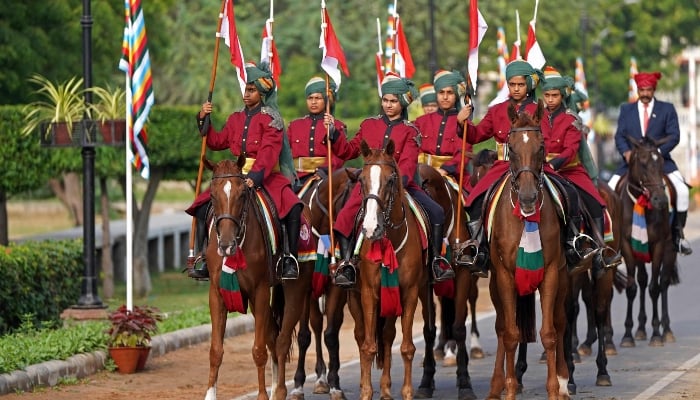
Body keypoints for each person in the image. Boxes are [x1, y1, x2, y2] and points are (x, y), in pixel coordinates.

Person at [329, 72, 455, 288]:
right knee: (343, 217)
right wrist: (334, 134)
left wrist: (394, 186)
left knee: (436, 212)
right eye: (385, 100)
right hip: (370, 188)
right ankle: (347, 263)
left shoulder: (411, 131)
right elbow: (348, 151)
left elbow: (406, 166)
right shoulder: (369, 125)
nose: (388, 105)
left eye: (393, 101)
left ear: (402, 103)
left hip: (401, 186)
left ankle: (436, 261)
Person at [185, 62, 304, 281]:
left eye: (251, 90)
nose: (246, 94)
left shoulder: (272, 119)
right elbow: (216, 141)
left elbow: (268, 154)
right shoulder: (235, 118)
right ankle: (203, 256)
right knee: (202, 206)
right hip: (236, 176)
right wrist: (203, 118)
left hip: (267, 177)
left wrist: (254, 178)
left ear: (262, 91)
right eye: (245, 90)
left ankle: (289, 258)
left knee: (293, 207)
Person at [458, 60, 542, 278]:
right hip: (503, 166)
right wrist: (463, 123)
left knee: (566, 193)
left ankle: (570, 241)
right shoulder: (496, 111)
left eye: (520, 84)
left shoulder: (539, 110)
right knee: (474, 200)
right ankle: (478, 247)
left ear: (529, 86)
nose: (515, 88)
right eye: (512, 84)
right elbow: (476, 136)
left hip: (533, 167)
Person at [540, 66, 620, 275]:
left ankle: (600, 252)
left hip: (569, 171)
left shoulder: (571, 119)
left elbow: (570, 150)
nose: (550, 99)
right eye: (546, 95)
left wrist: (553, 165)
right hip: (539, 170)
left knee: (595, 204)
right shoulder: (535, 116)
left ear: (562, 95)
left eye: (554, 95)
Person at [607, 71, 692, 255]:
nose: (645, 94)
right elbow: (620, 135)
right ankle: (612, 240)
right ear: (637, 89)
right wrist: (627, 152)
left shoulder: (667, 109)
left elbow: (674, 135)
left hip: (661, 162)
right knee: (609, 189)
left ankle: (678, 236)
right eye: (642, 90)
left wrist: (658, 154)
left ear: (654, 89)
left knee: (683, 191)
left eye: (648, 90)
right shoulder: (626, 109)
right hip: (632, 164)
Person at [414, 70, 473, 189]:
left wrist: (444, 170)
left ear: (456, 95)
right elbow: (413, 148)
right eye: (441, 92)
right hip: (420, 174)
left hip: (452, 176)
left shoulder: (464, 123)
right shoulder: (421, 122)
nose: (445, 97)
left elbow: (463, 154)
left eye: (450, 93)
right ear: (436, 94)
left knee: (472, 204)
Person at [287, 76, 348, 187]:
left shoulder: (336, 125)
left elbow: (339, 156)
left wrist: (324, 171)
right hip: (296, 179)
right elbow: (285, 153)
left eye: (318, 98)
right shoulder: (294, 125)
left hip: (325, 178)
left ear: (326, 100)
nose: (313, 102)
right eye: (310, 98)